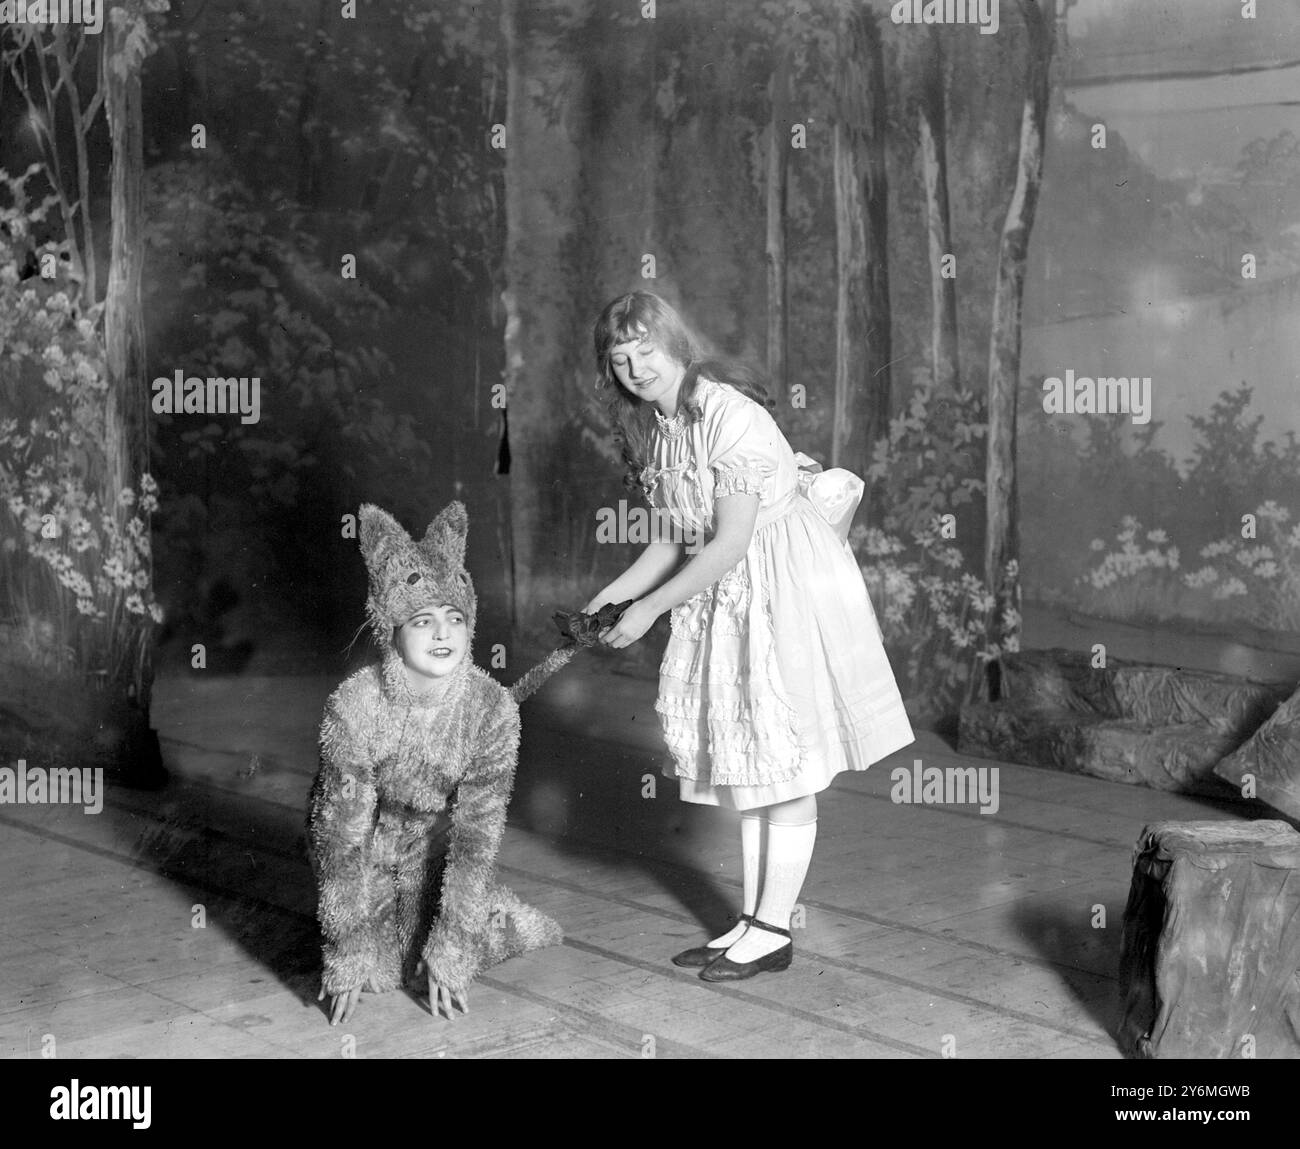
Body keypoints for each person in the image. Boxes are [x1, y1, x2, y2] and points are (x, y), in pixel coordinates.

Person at [585, 291, 914, 981]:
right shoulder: (665, 429)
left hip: (780, 584)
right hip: (731, 587)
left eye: (646, 349)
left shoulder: (729, 415)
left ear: (676, 343)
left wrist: (649, 613)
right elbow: (676, 539)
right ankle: (756, 919)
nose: (636, 367)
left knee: (783, 759)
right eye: (621, 359)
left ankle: (773, 927)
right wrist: (604, 604)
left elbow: (730, 540)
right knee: (755, 762)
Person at [308, 501, 561, 1024]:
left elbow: (476, 842)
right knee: (375, 975)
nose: (443, 634)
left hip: (436, 840)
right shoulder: (354, 703)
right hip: (369, 838)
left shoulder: (491, 710)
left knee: (433, 963)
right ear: (391, 632)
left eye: (455, 619)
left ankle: (500, 917)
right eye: (422, 621)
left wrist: (451, 952)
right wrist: (345, 953)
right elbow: (340, 839)